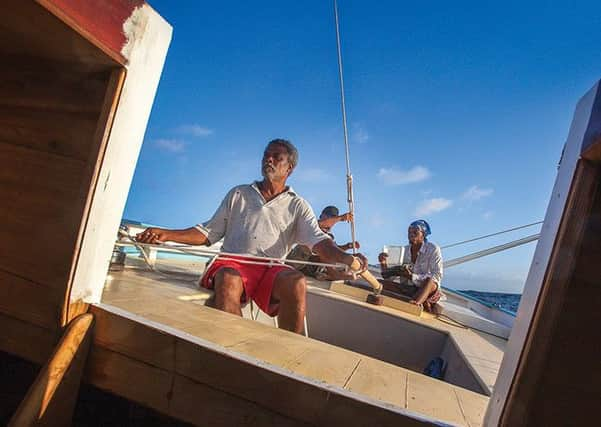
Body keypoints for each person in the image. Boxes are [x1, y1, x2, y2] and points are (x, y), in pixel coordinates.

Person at [136, 139, 368, 334]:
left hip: (271, 268)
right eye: (266, 155)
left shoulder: (298, 205)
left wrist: (348, 259)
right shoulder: (239, 193)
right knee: (228, 278)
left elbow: (319, 242)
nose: (269, 160)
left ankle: (289, 357)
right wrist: (166, 234)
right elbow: (208, 234)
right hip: (233, 263)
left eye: (277, 157)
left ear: (289, 169)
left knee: (296, 282)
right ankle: (234, 350)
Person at [378, 220, 443, 313]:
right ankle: (415, 302)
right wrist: (383, 263)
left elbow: (437, 276)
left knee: (429, 280)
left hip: (428, 289)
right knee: (379, 283)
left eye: (415, 232)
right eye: (409, 232)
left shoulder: (433, 249)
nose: (411, 234)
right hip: (409, 288)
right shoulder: (404, 250)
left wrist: (411, 276)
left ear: (423, 234)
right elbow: (388, 277)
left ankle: (414, 305)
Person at [287, 205, 359, 281]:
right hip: (295, 262)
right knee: (321, 248)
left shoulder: (328, 237)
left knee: (330, 252)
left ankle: (329, 274)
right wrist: (340, 218)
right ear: (321, 216)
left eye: (332, 217)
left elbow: (334, 251)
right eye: (329, 217)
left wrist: (349, 246)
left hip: (311, 268)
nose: (331, 220)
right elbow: (321, 224)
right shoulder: (313, 226)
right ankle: (333, 274)